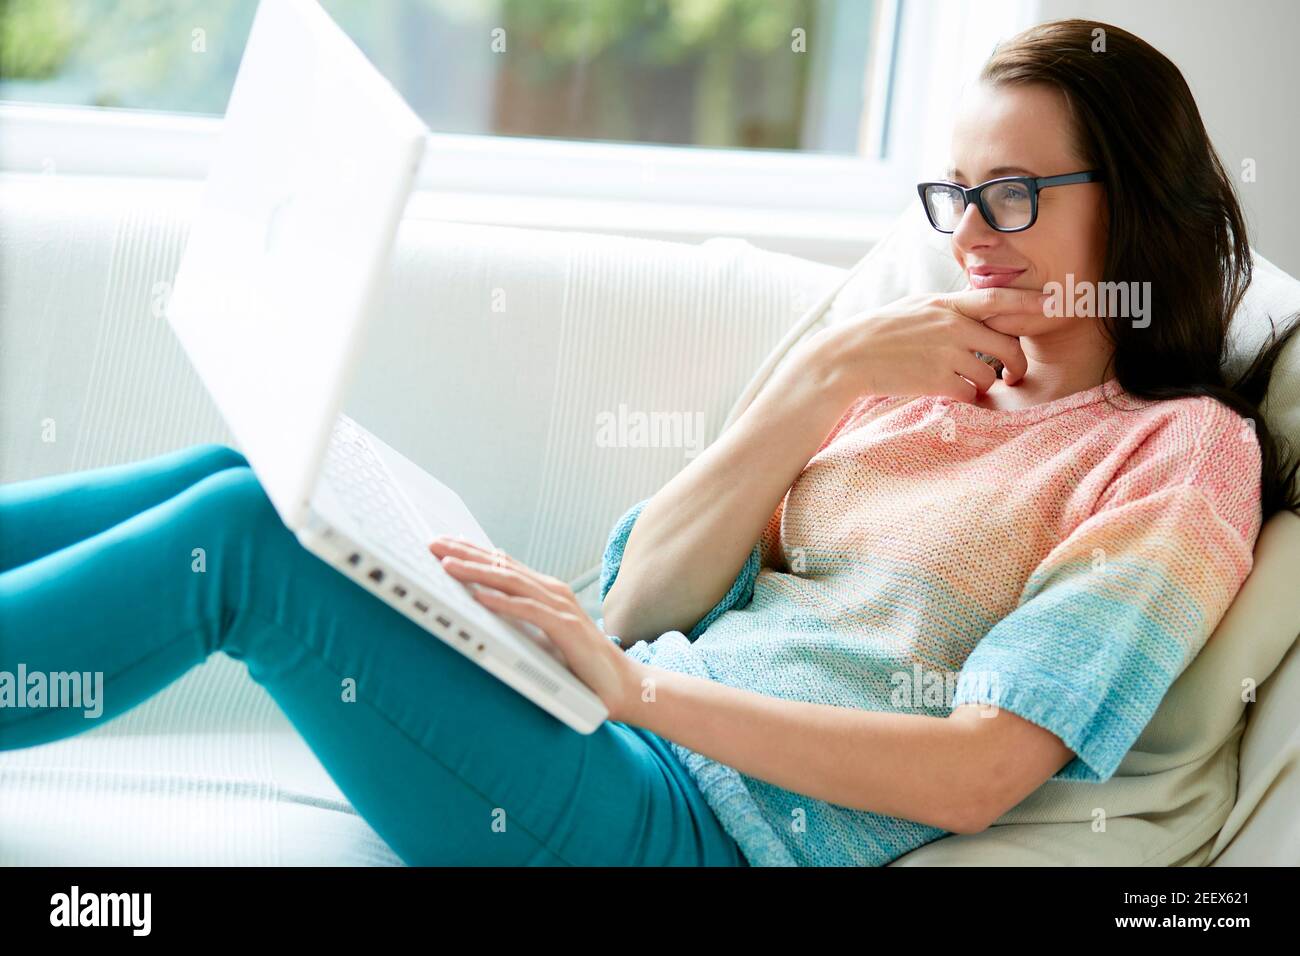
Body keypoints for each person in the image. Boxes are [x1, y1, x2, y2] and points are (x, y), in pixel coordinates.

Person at [2, 18, 1297, 866]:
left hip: (683, 827)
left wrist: (642, 699)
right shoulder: (913, 369)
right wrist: (817, 382)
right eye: (952, 195)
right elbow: (636, 600)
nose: (966, 233)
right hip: (601, 716)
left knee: (237, 549)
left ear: (1131, 203)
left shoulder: (1177, 458)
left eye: (1010, 195)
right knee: (245, 479)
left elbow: (977, 774)